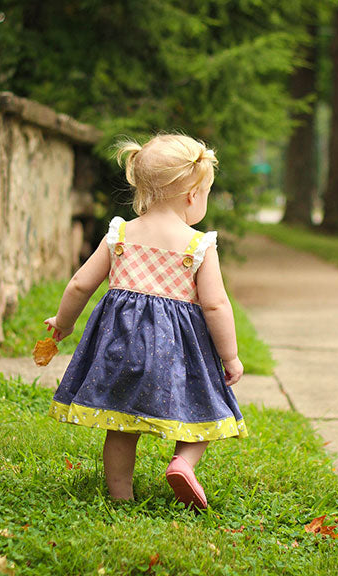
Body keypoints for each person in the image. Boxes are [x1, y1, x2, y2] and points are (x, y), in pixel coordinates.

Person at [45, 132, 247, 509]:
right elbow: (216, 305)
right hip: (177, 355)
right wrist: (230, 357)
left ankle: (121, 497)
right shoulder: (198, 245)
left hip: (120, 350)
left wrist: (63, 322)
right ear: (192, 195)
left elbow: (79, 284)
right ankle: (183, 464)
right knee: (205, 406)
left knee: (122, 426)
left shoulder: (120, 234)